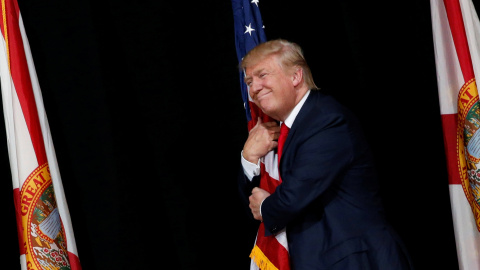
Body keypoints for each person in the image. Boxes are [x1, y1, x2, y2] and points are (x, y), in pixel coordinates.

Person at [237, 39, 414, 269]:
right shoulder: (280, 133)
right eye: (249, 81)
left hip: (358, 262)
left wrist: (264, 207)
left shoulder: (326, 119)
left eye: (262, 75)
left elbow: (293, 196)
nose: (254, 88)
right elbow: (254, 205)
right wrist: (248, 157)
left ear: (295, 76)